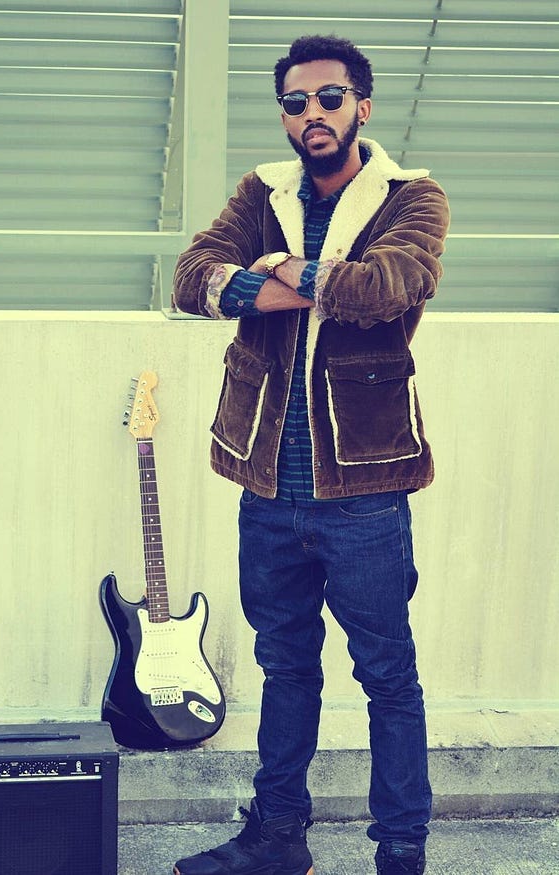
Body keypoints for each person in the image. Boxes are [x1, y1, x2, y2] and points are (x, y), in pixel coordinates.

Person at [172, 34, 449, 875]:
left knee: (387, 674)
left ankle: (400, 849)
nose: (312, 114)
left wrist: (281, 271)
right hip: (267, 485)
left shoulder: (410, 196)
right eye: (295, 103)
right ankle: (278, 838)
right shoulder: (262, 190)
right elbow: (191, 277)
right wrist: (299, 282)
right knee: (285, 667)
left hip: (364, 490)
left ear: (362, 105)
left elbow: (389, 286)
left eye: (329, 98)